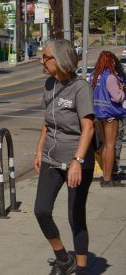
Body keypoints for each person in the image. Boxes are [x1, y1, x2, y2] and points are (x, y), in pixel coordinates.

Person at [34, 39, 95, 275]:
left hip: (76, 161)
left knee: (75, 215)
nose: (42, 61)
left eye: (46, 57)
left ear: (60, 60)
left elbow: (88, 128)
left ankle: (81, 269)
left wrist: (77, 162)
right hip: (51, 157)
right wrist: (40, 150)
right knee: (41, 210)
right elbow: (47, 123)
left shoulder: (81, 88)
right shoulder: (49, 84)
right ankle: (62, 258)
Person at [90, 51, 125, 187]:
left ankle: (105, 174)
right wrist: (122, 91)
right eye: (113, 61)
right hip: (110, 114)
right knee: (111, 146)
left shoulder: (94, 76)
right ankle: (107, 179)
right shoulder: (110, 77)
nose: (115, 63)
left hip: (98, 114)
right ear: (111, 62)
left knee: (105, 145)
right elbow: (117, 97)